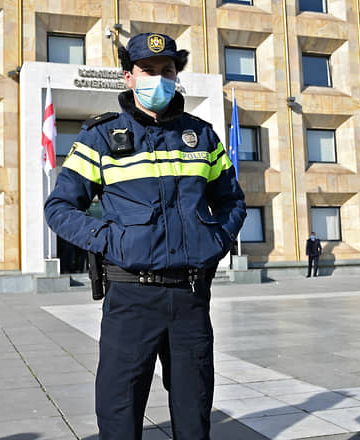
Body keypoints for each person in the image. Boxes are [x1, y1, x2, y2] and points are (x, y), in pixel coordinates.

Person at [44, 32, 245, 439]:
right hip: (131, 296)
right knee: (119, 410)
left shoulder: (201, 136)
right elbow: (60, 208)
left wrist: (215, 240)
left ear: (176, 76)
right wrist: (111, 240)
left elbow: (232, 202)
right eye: (147, 71)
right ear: (129, 77)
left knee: (194, 413)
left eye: (166, 71)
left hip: (190, 296)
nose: (158, 79)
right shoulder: (99, 137)